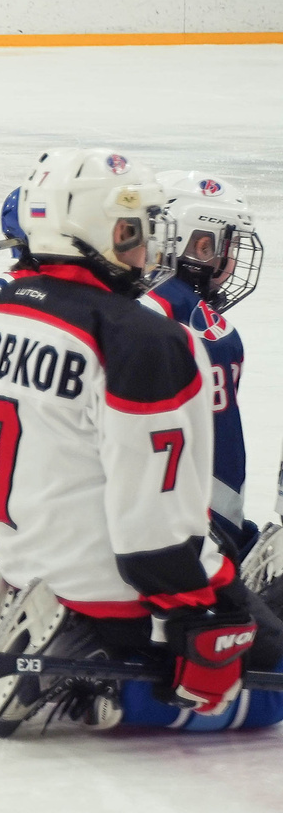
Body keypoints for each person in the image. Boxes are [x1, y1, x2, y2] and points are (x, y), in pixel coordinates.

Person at [0, 148, 283, 740]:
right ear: (92, 232)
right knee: (272, 670)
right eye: (135, 231)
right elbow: (154, 534)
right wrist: (209, 610)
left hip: (24, 562)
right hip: (114, 591)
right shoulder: (143, 338)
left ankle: (62, 627)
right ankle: (109, 685)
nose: (149, 249)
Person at [146, 170, 262, 558]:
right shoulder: (211, 333)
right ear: (196, 244)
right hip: (180, 543)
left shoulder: (108, 301)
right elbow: (221, 459)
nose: (230, 261)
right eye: (225, 245)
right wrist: (233, 537)